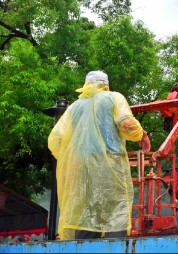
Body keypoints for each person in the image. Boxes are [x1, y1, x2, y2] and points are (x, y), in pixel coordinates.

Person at [48, 71, 151, 240]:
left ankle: (83, 248)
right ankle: (115, 247)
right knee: (115, 210)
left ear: (86, 85)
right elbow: (126, 123)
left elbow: (56, 138)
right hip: (110, 166)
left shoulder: (74, 107)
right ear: (106, 85)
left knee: (85, 213)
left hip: (81, 169)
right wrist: (142, 136)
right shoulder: (114, 97)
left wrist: (69, 160)